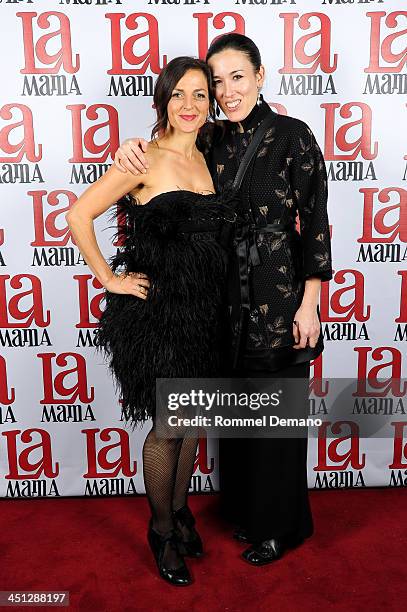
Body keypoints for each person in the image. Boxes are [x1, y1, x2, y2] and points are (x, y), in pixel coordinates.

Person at [114, 33, 333, 566]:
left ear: (260, 77)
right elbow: (167, 159)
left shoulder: (293, 136)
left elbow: (317, 223)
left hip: (278, 295)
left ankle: (281, 527)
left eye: (238, 76)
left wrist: (311, 301)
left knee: (276, 414)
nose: (227, 90)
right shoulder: (209, 139)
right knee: (238, 416)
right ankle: (245, 513)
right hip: (219, 301)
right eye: (218, 81)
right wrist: (128, 150)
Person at [66, 56, 235, 586]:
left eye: (201, 95)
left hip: (205, 313)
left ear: (211, 103)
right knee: (168, 427)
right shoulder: (141, 158)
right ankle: (161, 528)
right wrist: (109, 279)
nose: (190, 105)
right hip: (159, 317)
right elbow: (77, 215)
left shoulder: (210, 158)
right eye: (179, 94)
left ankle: (181, 509)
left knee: (192, 422)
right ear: (162, 99)